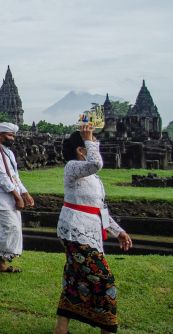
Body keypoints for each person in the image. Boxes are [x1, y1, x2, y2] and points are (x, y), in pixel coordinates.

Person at [54, 124, 133, 334]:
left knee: (74, 280)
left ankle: (60, 329)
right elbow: (96, 163)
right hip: (75, 231)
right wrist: (88, 137)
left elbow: (100, 209)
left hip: (88, 230)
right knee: (105, 282)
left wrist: (119, 231)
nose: (96, 145)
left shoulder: (92, 178)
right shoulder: (72, 167)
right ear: (81, 149)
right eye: (92, 144)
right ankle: (107, 329)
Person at [0, 122, 34, 276]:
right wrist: (17, 196)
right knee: (10, 228)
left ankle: (3, 263)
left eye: (13, 136)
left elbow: (14, 177)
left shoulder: (8, 154)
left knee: (15, 231)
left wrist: (25, 193)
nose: (12, 138)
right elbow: (2, 178)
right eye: (9, 135)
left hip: (12, 197)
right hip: (1, 198)